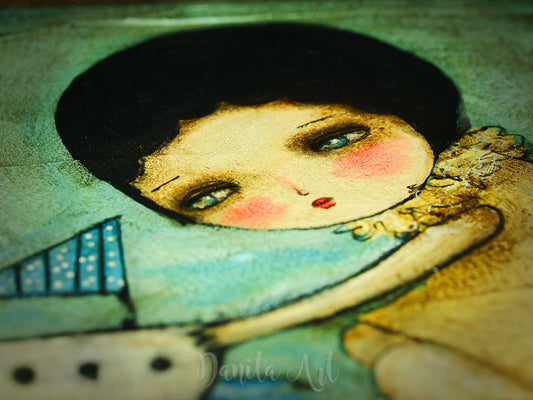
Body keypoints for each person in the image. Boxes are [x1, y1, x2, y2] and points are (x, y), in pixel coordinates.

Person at [56, 24, 533, 399]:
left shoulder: (494, 180)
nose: (302, 190)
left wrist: (231, 331)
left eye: (334, 140)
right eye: (210, 195)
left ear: (409, 109)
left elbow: (426, 254)